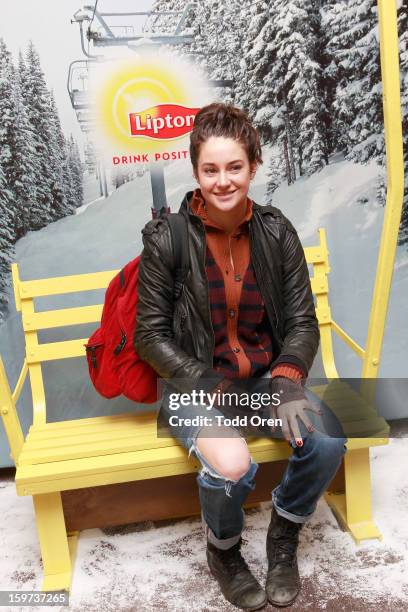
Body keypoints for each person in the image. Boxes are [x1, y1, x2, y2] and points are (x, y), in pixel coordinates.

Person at [134, 102, 347, 610]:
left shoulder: (276, 231)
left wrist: (289, 375)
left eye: (235, 167)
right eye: (211, 169)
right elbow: (149, 335)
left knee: (327, 441)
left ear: (254, 166)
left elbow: (300, 322)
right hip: (196, 390)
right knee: (231, 462)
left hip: (263, 384)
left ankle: (284, 534)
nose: (223, 181)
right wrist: (203, 381)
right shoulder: (168, 238)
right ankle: (224, 551)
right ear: (196, 171)